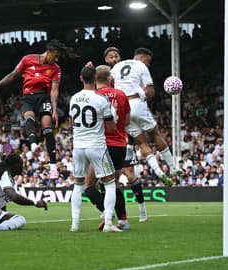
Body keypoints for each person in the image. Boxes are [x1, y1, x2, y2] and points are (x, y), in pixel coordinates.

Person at [0, 39, 70, 179]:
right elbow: (12, 76)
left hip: (44, 98)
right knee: (29, 117)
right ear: (49, 52)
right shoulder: (28, 59)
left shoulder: (56, 68)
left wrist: (54, 109)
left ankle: (53, 166)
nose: (56, 59)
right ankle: (34, 145)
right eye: (56, 55)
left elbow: (54, 90)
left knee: (47, 126)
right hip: (28, 98)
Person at [110, 47, 180, 187]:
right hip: (136, 103)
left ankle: (159, 172)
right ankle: (173, 168)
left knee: (142, 142)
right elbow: (150, 91)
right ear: (142, 58)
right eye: (148, 62)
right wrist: (144, 95)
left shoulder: (116, 67)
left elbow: (109, 86)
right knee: (155, 133)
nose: (148, 65)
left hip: (121, 109)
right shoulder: (141, 66)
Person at [69, 66, 120, 233]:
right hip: (96, 146)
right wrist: (114, 112)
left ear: (81, 79)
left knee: (78, 184)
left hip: (78, 146)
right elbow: (111, 128)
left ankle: (75, 225)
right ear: (96, 78)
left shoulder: (74, 98)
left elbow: (72, 123)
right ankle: (109, 224)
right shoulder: (101, 100)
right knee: (110, 183)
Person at [84, 64, 132, 231]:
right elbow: (126, 121)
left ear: (95, 79)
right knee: (114, 185)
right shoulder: (121, 95)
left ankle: (106, 212)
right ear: (110, 79)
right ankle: (124, 221)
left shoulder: (94, 96)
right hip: (120, 145)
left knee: (89, 186)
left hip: (101, 145)